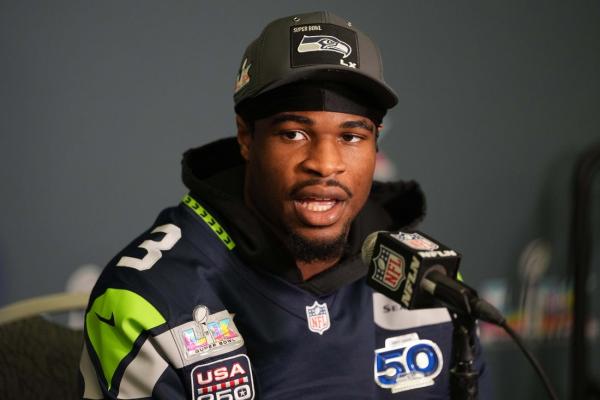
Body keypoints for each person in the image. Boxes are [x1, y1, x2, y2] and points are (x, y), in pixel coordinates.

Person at [80, 11, 486, 399]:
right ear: (246, 137)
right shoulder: (148, 298)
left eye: (351, 137)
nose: (324, 164)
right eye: (293, 133)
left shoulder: (429, 283)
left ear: (376, 142)